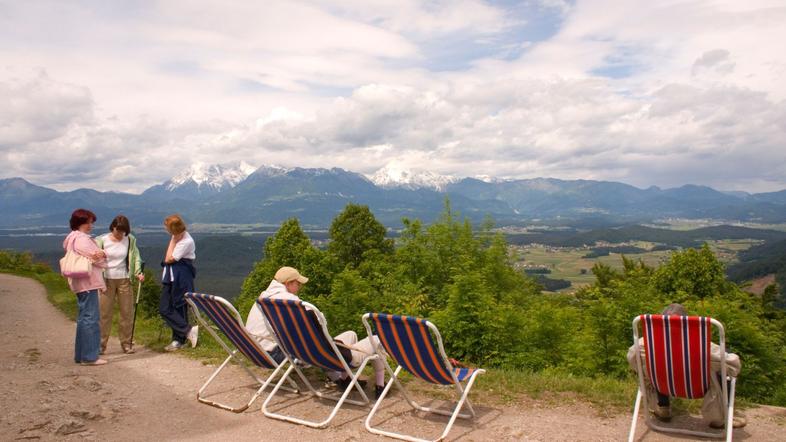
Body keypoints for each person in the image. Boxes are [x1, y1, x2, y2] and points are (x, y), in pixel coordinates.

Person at [246, 266, 387, 397]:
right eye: (297, 284)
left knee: (351, 334)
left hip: (256, 351)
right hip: (277, 353)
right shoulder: (291, 303)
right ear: (288, 283)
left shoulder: (263, 299)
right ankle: (380, 386)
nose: (299, 287)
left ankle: (343, 379)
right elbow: (320, 323)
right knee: (377, 338)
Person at [627, 303, 746, 428]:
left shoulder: (644, 345)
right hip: (696, 387)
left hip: (663, 384)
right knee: (724, 372)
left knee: (655, 366)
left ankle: (663, 407)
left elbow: (632, 359)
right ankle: (718, 419)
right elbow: (733, 365)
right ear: (685, 322)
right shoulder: (703, 346)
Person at [63, 208, 108, 366]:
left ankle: (81, 354)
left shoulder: (72, 238)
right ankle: (90, 356)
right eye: (89, 222)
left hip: (80, 283)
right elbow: (98, 259)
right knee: (91, 318)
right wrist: (103, 255)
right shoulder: (82, 239)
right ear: (82, 223)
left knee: (84, 318)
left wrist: (100, 254)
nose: (91, 225)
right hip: (88, 283)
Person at [96, 215, 144, 354]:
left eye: (123, 231)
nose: (120, 234)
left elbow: (135, 257)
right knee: (104, 313)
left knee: (126, 313)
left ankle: (126, 343)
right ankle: (101, 344)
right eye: (118, 231)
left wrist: (138, 272)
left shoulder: (130, 240)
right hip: (106, 280)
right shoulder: (101, 240)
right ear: (113, 227)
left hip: (124, 279)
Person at [158, 214, 197, 351]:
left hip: (181, 275)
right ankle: (187, 331)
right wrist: (174, 238)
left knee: (179, 305)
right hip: (172, 275)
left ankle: (178, 340)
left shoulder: (186, 241)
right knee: (165, 307)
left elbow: (169, 258)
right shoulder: (177, 238)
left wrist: (173, 240)